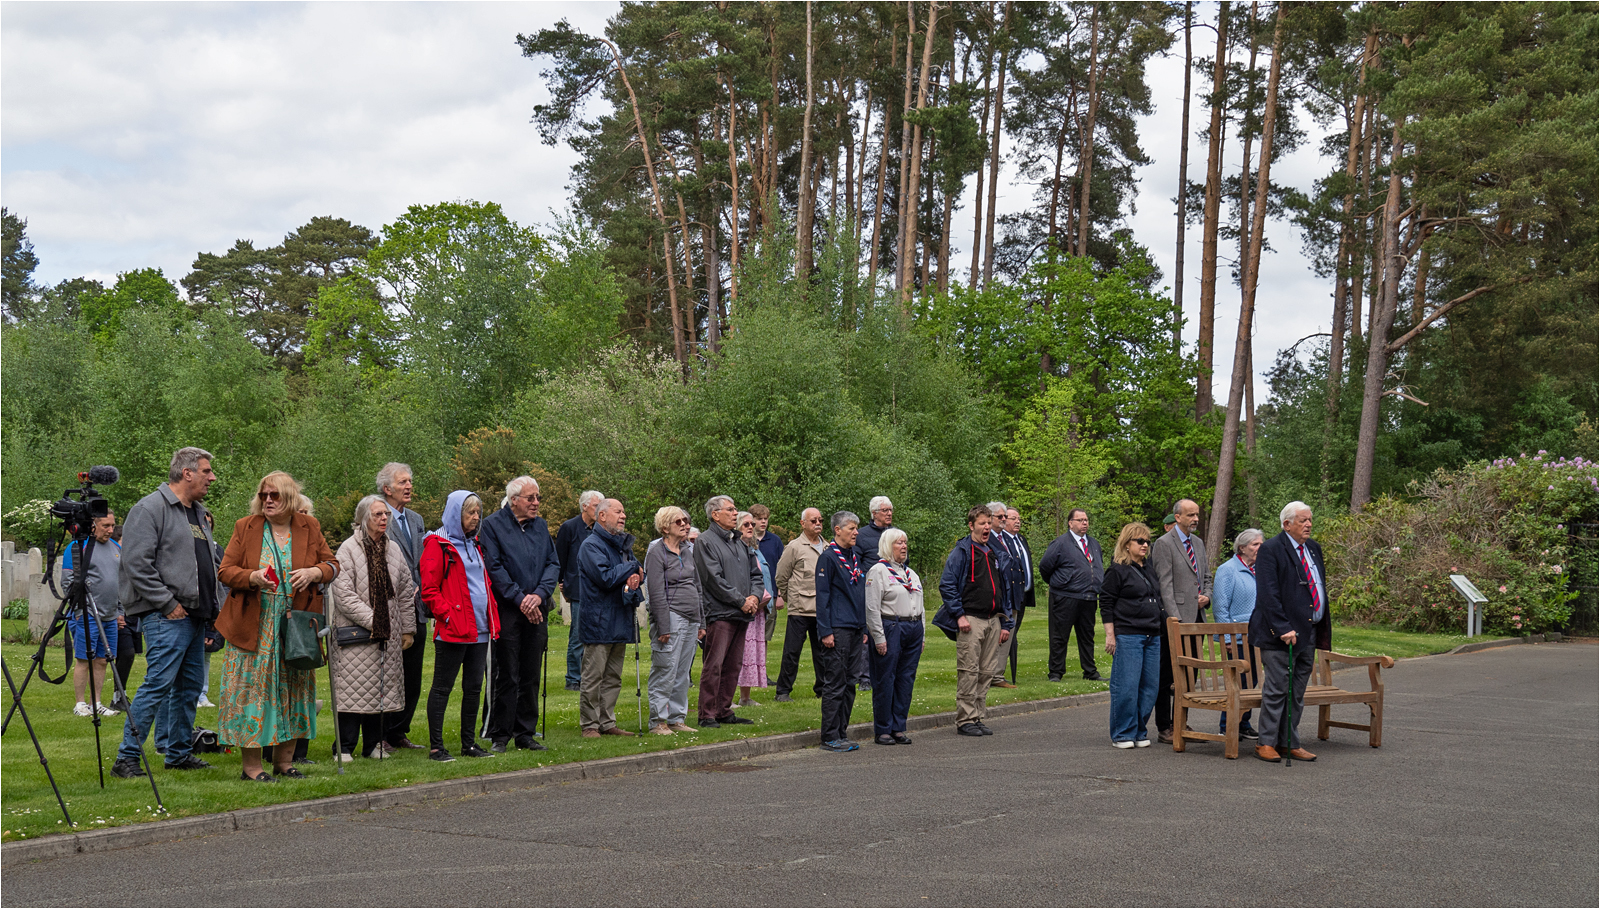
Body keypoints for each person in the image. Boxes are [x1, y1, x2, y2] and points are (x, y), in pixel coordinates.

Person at [214, 470, 339, 782]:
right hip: (254, 625)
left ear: (290, 499)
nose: (267, 500)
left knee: (295, 692)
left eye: (275, 496)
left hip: (295, 625)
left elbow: (333, 565)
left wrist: (313, 572)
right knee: (252, 694)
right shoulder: (247, 527)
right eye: (263, 495)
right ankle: (252, 768)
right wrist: (253, 577)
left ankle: (285, 763)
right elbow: (225, 571)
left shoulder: (309, 526)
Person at [112, 447, 222, 779]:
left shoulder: (199, 513)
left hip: (196, 616)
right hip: (167, 616)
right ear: (186, 473)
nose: (211, 478)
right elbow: (136, 564)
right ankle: (127, 757)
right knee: (157, 684)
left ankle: (178, 753)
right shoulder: (149, 509)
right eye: (206, 471)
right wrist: (167, 603)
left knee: (190, 688)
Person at [330, 495, 417, 760]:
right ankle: (344, 747)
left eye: (386, 515)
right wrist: (375, 621)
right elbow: (343, 595)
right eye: (378, 514)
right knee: (352, 690)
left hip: (386, 635)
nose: (383, 518)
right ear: (363, 518)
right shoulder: (348, 549)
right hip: (355, 634)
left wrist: (407, 628)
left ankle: (372, 745)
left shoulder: (393, 550)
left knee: (379, 689)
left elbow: (404, 591)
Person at [479, 475, 560, 753]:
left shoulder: (541, 527)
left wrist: (539, 595)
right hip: (508, 611)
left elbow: (553, 563)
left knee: (530, 673)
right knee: (506, 674)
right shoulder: (492, 525)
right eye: (530, 498)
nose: (536, 502)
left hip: (536, 609)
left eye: (538, 497)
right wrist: (521, 598)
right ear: (514, 500)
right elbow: (495, 567)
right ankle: (500, 734)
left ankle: (525, 733)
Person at [1249, 502, 1330, 763]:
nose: (1308, 524)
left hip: (1309, 631)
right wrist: (1283, 628)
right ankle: (1266, 742)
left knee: (1296, 691)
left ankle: (1289, 741)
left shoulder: (1313, 549)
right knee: (1277, 689)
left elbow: (1316, 586)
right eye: (1303, 520)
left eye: (1310, 519)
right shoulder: (1271, 549)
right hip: (1280, 634)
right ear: (1287, 524)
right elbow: (1268, 594)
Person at [421, 490, 498, 763]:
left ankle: (469, 743)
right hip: (454, 630)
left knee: (474, 687)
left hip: (480, 628)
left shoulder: (475, 544)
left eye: (478, 513)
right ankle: (436, 747)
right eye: (470, 513)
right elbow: (429, 590)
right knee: (442, 688)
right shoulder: (437, 545)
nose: (476, 518)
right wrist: (449, 616)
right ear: (456, 514)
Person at [939, 504, 1014, 738]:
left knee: (986, 671)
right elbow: (948, 584)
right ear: (971, 525)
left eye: (988, 523)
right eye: (981, 523)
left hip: (994, 619)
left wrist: (1006, 622)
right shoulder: (962, 551)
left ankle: (977, 715)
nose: (986, 528)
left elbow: (1005, 589)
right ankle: (965, 718)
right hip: (971, 619)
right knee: (969, 670)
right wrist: (959, 615)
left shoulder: (995, 552)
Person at [694, 495, 764, 728]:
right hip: (719, 612)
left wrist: (754, 596)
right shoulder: (705, 541)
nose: (736, 513)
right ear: (715, 514)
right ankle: (706, 713)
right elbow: (712, 579)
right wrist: (741, 600)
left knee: (733, 665)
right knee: (714, 664)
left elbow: (756, 574)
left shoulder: (739, 542)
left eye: (735, 509)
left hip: (740, 612)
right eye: (730, 509)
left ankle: (724, 710)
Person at [577, 498, 643, 737]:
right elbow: (605, 577)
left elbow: (635, 572)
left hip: (620, 617)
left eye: (624, 511)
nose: (623, 515)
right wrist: (633, 568)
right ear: (602, 516)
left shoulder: (623, 546)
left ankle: (607, 722)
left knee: (613, 676)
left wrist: (636, 576)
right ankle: (590, 725)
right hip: (598, 619)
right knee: (593, 676)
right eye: (618, 511)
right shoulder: (591, 545)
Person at [1149, 498, 1212, 743]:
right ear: (1177, 517)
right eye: (1190, 515)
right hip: (1175, 622)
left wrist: (1207, 595)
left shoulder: (1198, 543)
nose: (1195, 519)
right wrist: (1174, 620)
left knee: (1190, 674)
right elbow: (1164, 585)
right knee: (1168, 676)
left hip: (1197, 618)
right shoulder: (1164, 544)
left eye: (1197, 515)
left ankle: (1182, 724)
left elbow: (1206, 575)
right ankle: (1165, 727)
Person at [376, 462, 428, 751]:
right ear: (387, 489)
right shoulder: (377, 516)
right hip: (391, 608)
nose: (408, 486)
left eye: (410, 481)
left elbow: (420, 560)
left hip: (417, 607)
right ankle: (380, 734)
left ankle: (399, 731)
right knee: (389, 674)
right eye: (402, 482)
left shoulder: (416, 520)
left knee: (413, 676)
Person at [1100, 523, 1163, 749]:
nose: (1145, 545)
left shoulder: (1149, 568)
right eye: (1140, 541)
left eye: (1147, 541)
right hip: (1129, 633)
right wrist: (1110, 635)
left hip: (1152, 634)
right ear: (1127, 544)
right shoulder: (1117, 570)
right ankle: (1122, 732)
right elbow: (1106, 603)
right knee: (1127, 684)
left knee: (1150, 686)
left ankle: (1139, 729)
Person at [644, 506, 703, 735]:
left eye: (686, 521)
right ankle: (658, 720)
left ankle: (677, 718)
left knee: (682, 671)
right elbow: (656, 591)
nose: (685, 525)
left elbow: (697, 587)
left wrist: (702, 621)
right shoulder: (656, 552)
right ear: (665, 527)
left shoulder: (688, 550)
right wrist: (663, 625)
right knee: (665, 668)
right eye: (679, 521)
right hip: (671, 615)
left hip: (691, 617)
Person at [865, 528, 924, 746]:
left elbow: (921, 605)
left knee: (906, 679)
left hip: (913, 627)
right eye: (899, 543)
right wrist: (879, 637)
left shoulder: (911, 574)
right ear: (888, 546)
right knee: (885, 679)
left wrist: (922, 633)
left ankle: (899, 727)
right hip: (891, 626)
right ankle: (883, 729)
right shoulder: (878, 571)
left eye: (905, 542)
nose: (904, 546)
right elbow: (871, 608)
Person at [815, 511, 868, 752]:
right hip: (837, 628)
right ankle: (829, 735)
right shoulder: (828, 558)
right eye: (851, 528)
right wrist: (825, 630)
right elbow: (823, 596)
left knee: (850, 682)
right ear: (837, 530)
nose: (856, 532)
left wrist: (864, 626)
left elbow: (860, 593)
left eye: (857, 528)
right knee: (835, 682)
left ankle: (842, 731)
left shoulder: (855, 555)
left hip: (856, 627)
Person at [1038, 508, 1105, 682]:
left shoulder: (1094, 544)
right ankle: (1056, 672)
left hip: (1089, 597)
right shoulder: (1060, 543)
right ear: (1070, 523)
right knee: (1059, 636)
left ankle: (1090, 671)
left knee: (1087, 636)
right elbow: (1045, 566)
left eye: (1086, 520)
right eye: (1080, 520)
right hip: (1065, 597)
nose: (1084, 523)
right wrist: (1059, 582)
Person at [64, 512, 120, 717]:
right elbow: (67, 581)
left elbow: (120, 582)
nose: (111, 530)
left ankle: (96, 702)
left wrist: (119, 611)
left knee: (102, 660)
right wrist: (79, 610)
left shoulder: (117, 548)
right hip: (87, 614)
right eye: (106, 526)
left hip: (110, 615)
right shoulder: (78, 547)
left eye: (113, 525)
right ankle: (80, 704)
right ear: (93, 525)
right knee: (84, 658)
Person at [1211, 528, 1264, 739]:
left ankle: (1243, 723)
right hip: (1236, 635)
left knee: (1252, 681)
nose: (1259, 548)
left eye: (1261, 544)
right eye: (1255, 544)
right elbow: (1220, 606)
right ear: (1242, 548)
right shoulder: (1228, 569)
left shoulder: (1259, 569)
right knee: (1238, 682)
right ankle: (1227, 725)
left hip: (1257, 634)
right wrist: (1225, 638)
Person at [772, 508, 827, 702]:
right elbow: (781, 576)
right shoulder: (795, 547)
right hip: (800, 608)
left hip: (822, 609)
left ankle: (822, 688)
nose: (818, 523)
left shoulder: (828, 547)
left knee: (822, 651)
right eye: (813, 520)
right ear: (803, 524)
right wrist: (790, 597)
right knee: (792, 651)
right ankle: (783, 691)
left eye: (820, 520)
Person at [556, 490, 604, 692]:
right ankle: (573, 678)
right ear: (584, 506)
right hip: (577, 588)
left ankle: (590, 677)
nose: (599, 511)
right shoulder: (569, 528)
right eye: (596, 506)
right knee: (577, 635)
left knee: (595, 635)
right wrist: (562, 583)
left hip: (598, 589)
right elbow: (560, 558)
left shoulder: (601, 529)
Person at [852, 496, 896, 691]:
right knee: (868, 634)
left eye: (890, 510)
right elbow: (856, 565)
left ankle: (888, 673)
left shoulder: (895, 535)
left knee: (891, 632)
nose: (889, 513)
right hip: (870, 590)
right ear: (874, 513)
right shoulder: (861, 536)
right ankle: (865, 678)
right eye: (885, 510)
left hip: (893, 592)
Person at [991, 504, 1033, 689]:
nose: (1004, 519)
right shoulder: (992, 539)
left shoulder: (1011, 540)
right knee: (997, 634)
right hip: (998, 596)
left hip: (1014, 596)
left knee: (1008, 634)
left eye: (1004, 516)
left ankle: (997, 675)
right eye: (1001, 516)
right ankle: (992, 675)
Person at [737, 511, 775, 708]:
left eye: (752, 524)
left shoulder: (754, 549)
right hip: (743, 608)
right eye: (746, 525)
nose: (751, 527)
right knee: (740, 654)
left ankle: (745, 697)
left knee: (751, 653)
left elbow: (761, 577)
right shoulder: (735, 550)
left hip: (758, 609)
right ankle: (726, 698)